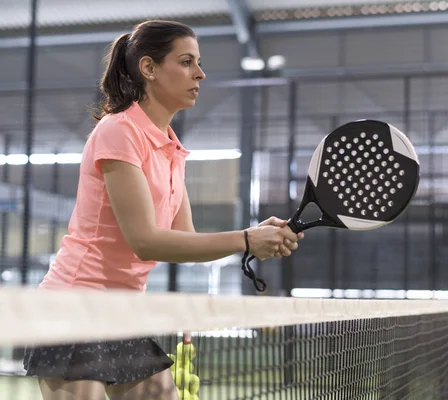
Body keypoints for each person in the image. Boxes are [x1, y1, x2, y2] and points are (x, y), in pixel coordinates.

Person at [23, 19, 303, 400]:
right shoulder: (119, 131)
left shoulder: (171, 147)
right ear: (149, 68)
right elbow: (145, 242)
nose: (200, 74)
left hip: (124, 314)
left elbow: (182, 241)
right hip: (73, 308)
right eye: (186, 62)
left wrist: (252, 236)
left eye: (198, 63)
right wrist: (245, 240)